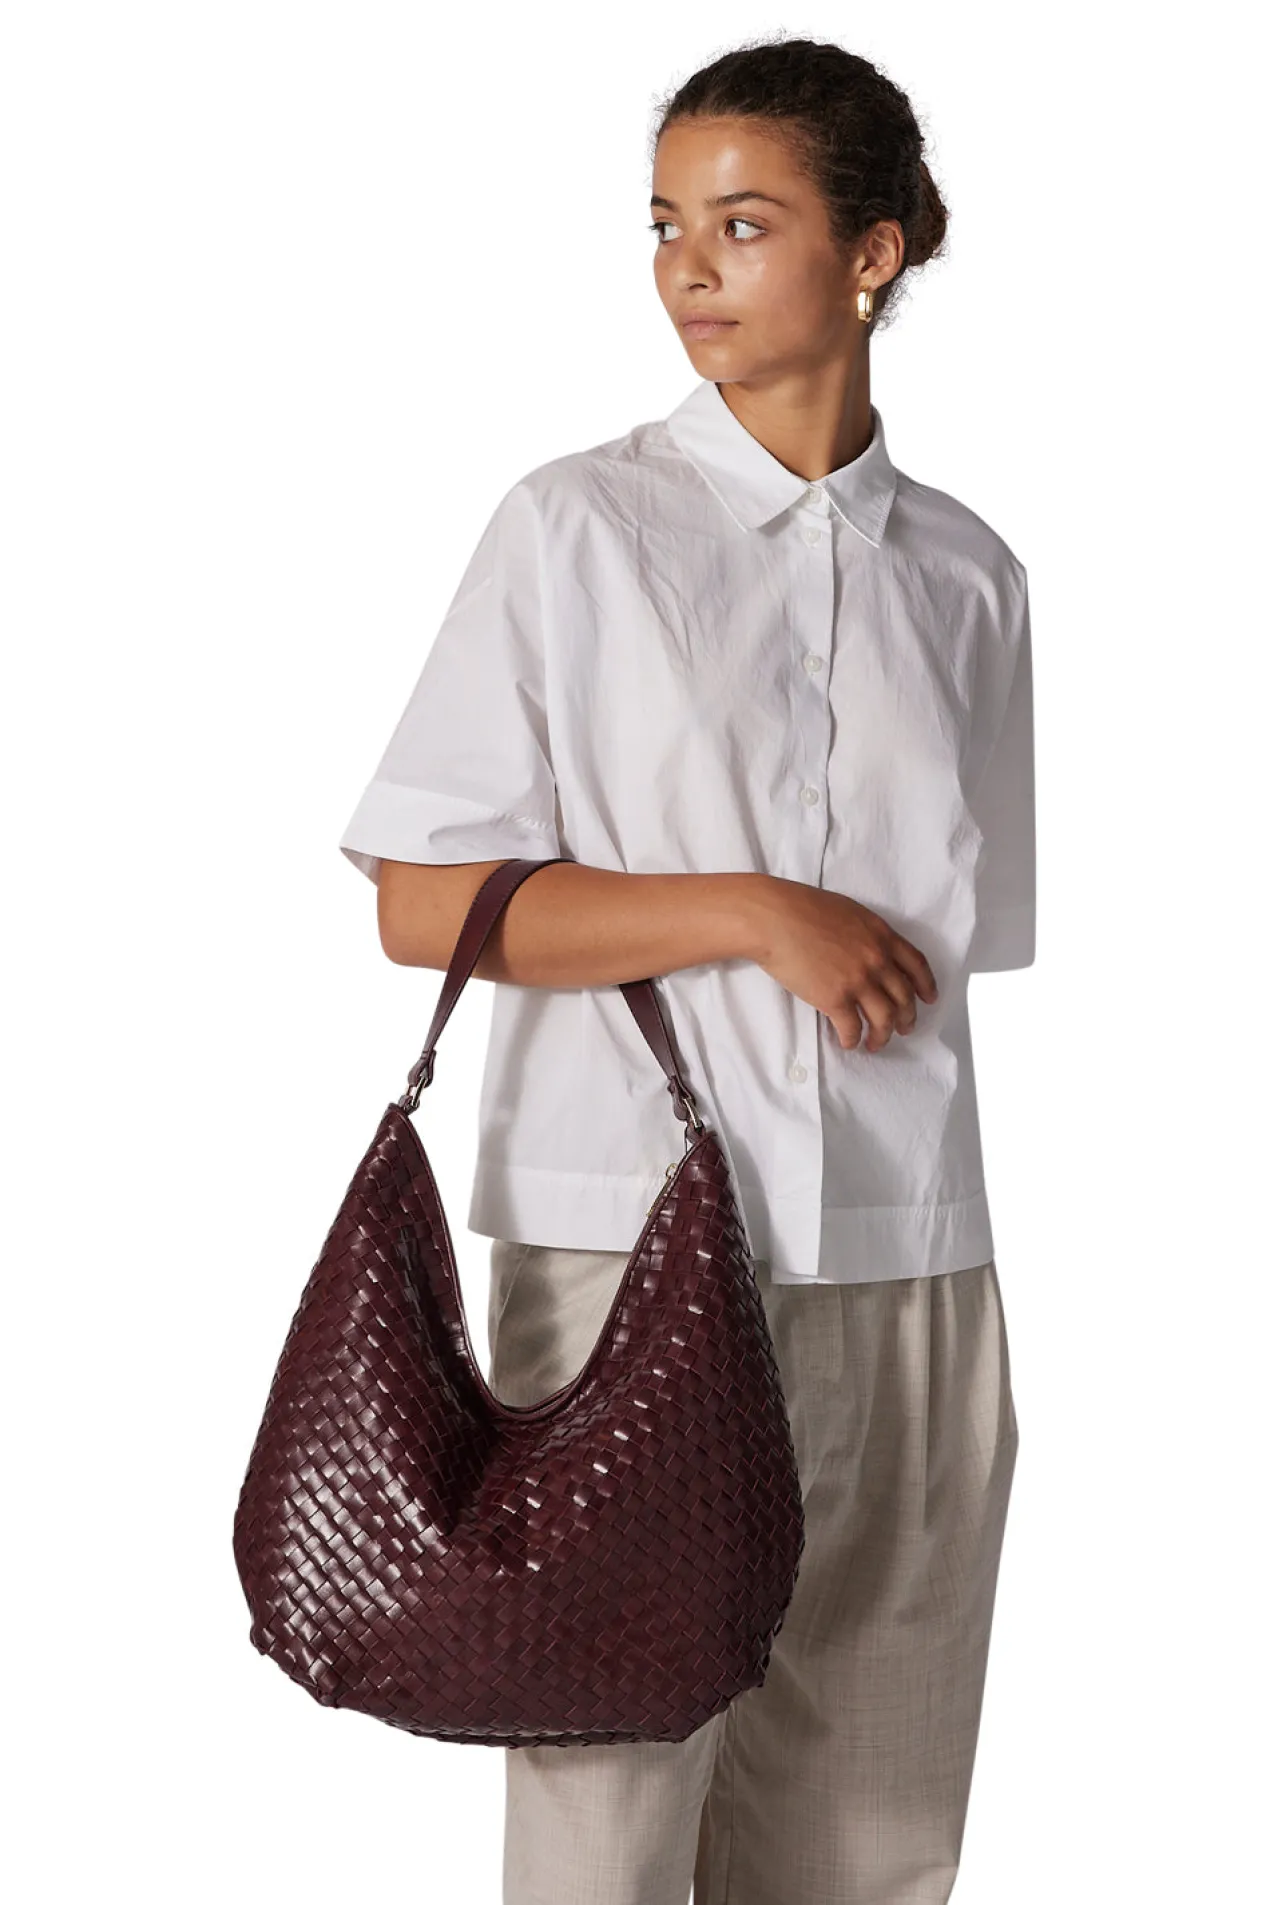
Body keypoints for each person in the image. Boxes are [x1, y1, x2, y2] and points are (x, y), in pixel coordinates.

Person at [338, 35, 1033, 1905]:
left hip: (907, 1249)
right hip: (625, 1244)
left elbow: (964, 942)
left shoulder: (969, 576)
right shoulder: (577, 526)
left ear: (870, 253)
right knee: (610, 1807)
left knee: (872, 1818)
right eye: (664, 226)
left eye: (741, 224)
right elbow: (424, 900)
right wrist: (748, 907)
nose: (688, 271)